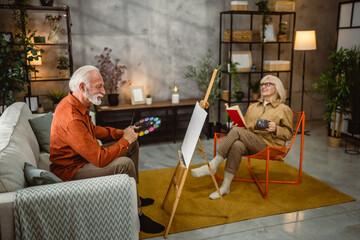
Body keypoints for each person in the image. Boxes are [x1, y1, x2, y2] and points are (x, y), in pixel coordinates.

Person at [49, 65, 164, 234]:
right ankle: (137, 213)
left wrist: (122, 134)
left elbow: (93, 131)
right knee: (124, 163)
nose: (103, 91)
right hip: (72, 170)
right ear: (82, 87)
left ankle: (134, 195)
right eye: (99, 87)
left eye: (102, 85)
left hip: (82, 158)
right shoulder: (72, 117)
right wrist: (124, 141)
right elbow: (99, 159)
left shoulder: (76, 103)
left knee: (132, 144)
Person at [191, 75, 293, 199]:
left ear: (277, 88)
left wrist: (277, 128)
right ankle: (225, 187)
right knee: (236, 145)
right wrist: (237, 123)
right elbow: (245, 124)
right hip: (251, 142)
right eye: (262, 85)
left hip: (268, 145)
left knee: (237, 132)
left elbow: (288, 133)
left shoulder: (283, 109)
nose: (263, 87)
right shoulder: (253, 107)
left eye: (268, 84)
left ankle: (213, 165)